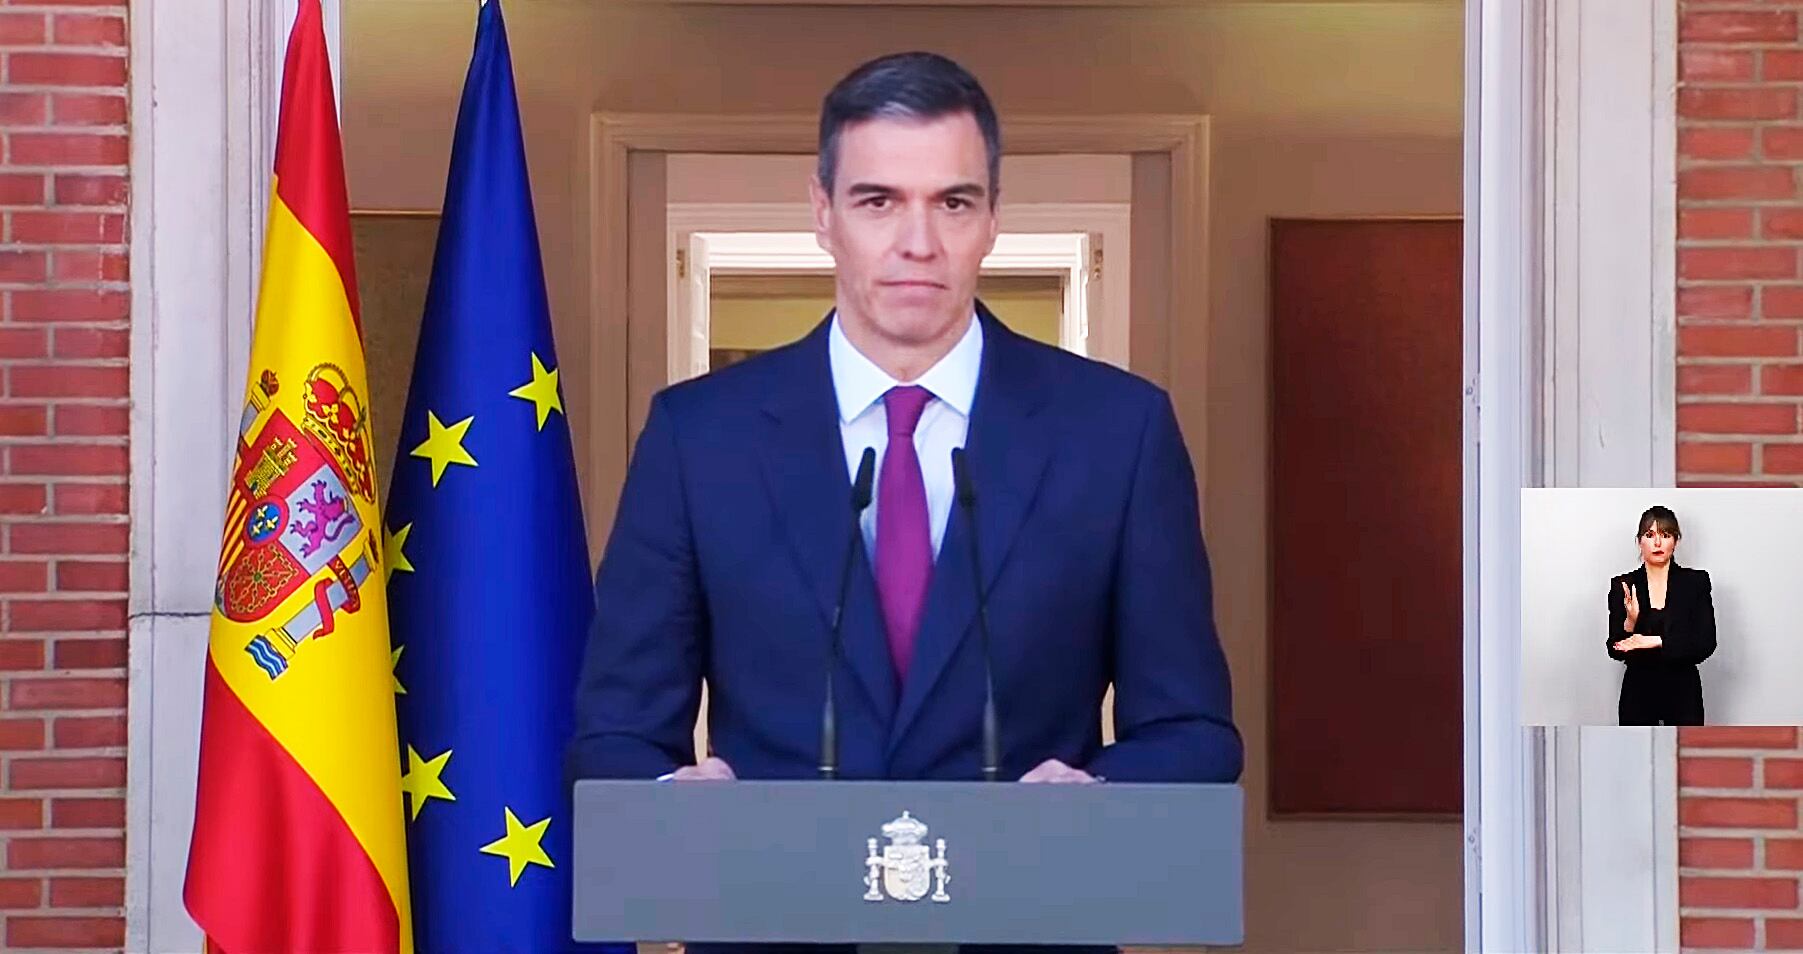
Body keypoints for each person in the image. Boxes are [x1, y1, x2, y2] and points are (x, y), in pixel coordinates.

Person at [570, 45, 1238, 831]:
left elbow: (1191, 734)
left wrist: (1099, 799)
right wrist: (671, 800)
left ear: (992, 216)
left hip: (1021, 916)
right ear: (822, 212)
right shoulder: (698, 437)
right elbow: (614, 735)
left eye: (951, 203)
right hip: (778, 918)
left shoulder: (1117, 433)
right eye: (878, 201)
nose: (917, 242)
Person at [1607, 505, 1716, 726]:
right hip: (1638, 691)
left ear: (1675, 541)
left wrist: (1652, 641)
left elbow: (1705, 644)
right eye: (1650, 535)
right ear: (1639, 541)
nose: (1657, 543)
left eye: (1665, 535)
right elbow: (1615, 649)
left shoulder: (1695, 582)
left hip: (1683, 691)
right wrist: (1631, 621)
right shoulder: (1624, 585)